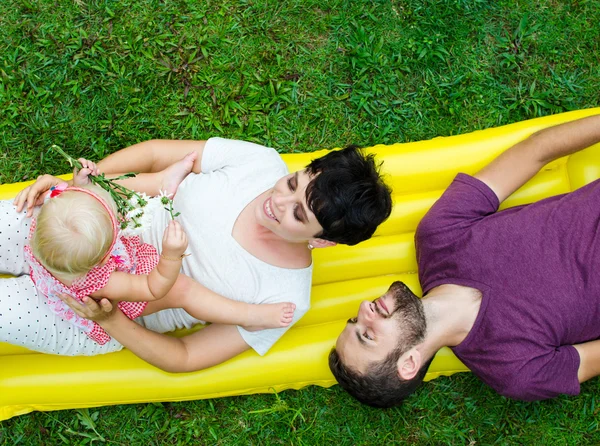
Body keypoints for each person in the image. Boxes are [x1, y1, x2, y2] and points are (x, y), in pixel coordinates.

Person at [3, 137, 392, 371]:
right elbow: (157, 155)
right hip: (76, 230)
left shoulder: (283, 297)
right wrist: (80, 196)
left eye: (297, 213)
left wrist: (110, 321)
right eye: (292, 183)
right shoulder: (258, 163)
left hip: (91, 308)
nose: (278, 200)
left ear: (322, 240)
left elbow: (186, 356)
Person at [329, 114, 600, 407]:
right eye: (367, 334)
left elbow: (536, 151)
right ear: (408, 363)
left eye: (355, 320)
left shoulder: (438, 237)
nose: (364, 308)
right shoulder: (516, 371)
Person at [25, 154, 296, 346]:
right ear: (105, 255)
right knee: (182, 289)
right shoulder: (103, 281)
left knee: (105, 202)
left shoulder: (51, 218)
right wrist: (171, 255)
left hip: (85, 252)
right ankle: (249, 316)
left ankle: (162, 185)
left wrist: (81, 185)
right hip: (122, 301)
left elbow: (72, 199)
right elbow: (154, 288)